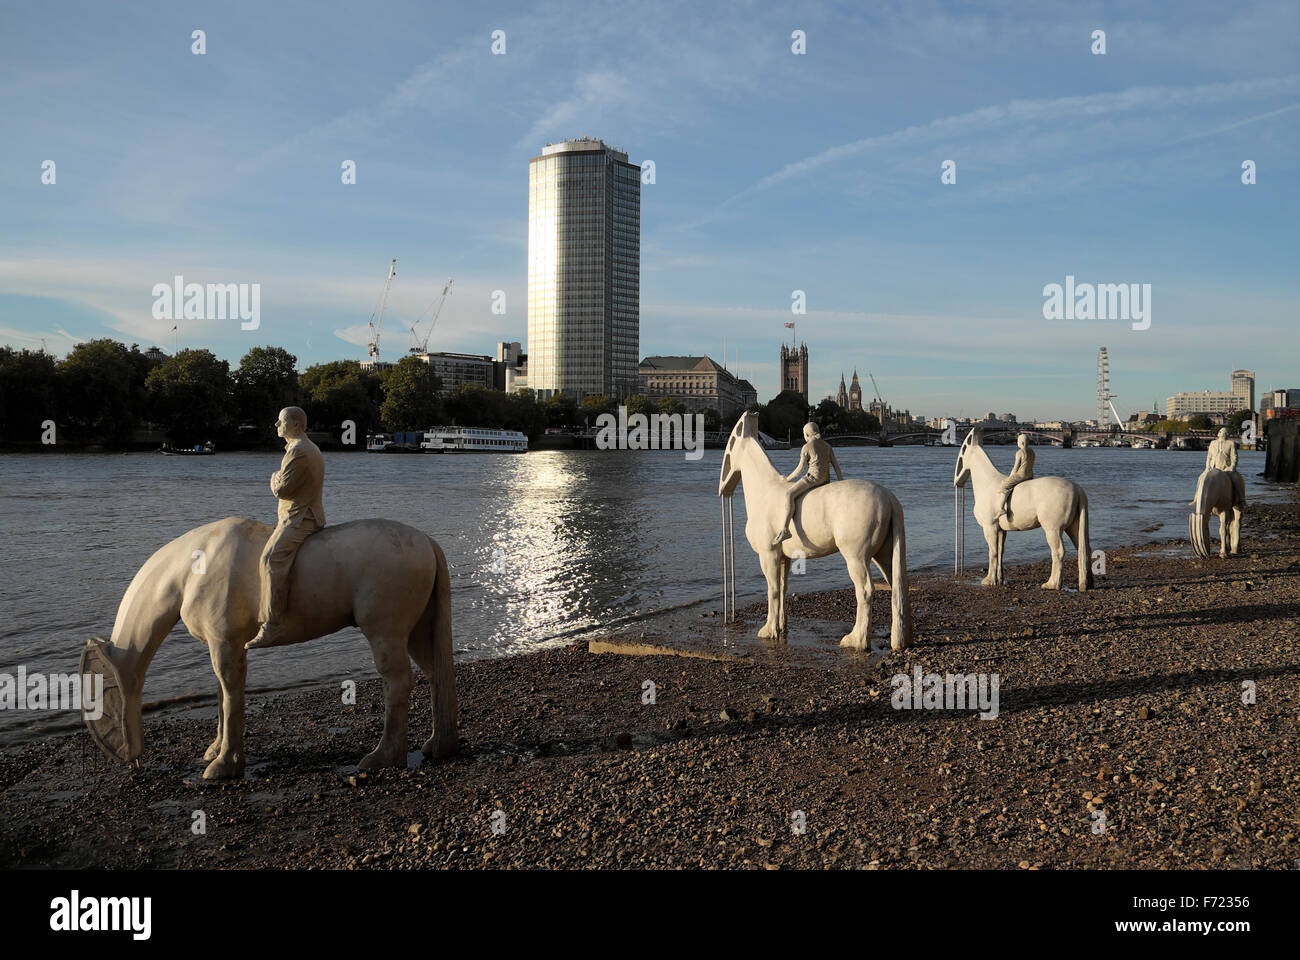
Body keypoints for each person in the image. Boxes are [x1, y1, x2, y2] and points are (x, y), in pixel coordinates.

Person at [246, 407, 326, 650]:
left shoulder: (300, 450)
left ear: (296, 425)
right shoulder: (304, 447)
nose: (276, 424)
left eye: (280, 421)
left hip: (300, 518)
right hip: (299, 514)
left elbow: (282, 489)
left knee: (271, 559)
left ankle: (273, 624)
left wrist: (272, 476)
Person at [772, 421, 843, 547]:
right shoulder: (827, 446)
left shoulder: (807, 446)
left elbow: (800, 469)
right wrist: (841, 483)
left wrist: (787, 479)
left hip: (812, 479)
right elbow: (836, 467)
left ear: (806, 434)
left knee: (789, 494)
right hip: (826, 480)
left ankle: (785, 530)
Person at [997, 433, 1035, 524]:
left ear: (1021, 442)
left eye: (1018, 441)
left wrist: (1010, 477)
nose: (1017, 443)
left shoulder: (1020, 452)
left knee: (1004, 485)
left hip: (1021, 475)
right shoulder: (1031, 451)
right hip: (1030, 475)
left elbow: (1015, 467)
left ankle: (1001, 508)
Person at [1206, 426, 1246, 507]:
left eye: (1225, 432)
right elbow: (1209, 457)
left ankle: (1241, 499)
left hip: (1226, 468)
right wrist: (1207, 467)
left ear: (1227, 434)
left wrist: (1232, 467)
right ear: (1218, 434)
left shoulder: (1231, 443)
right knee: (1202, 478)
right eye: (1221, 431)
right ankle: (1198, 498)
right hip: (1214, 468)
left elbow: (1234, 457)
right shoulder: (1213, 443)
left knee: (1236, 479)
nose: (1223, 433)